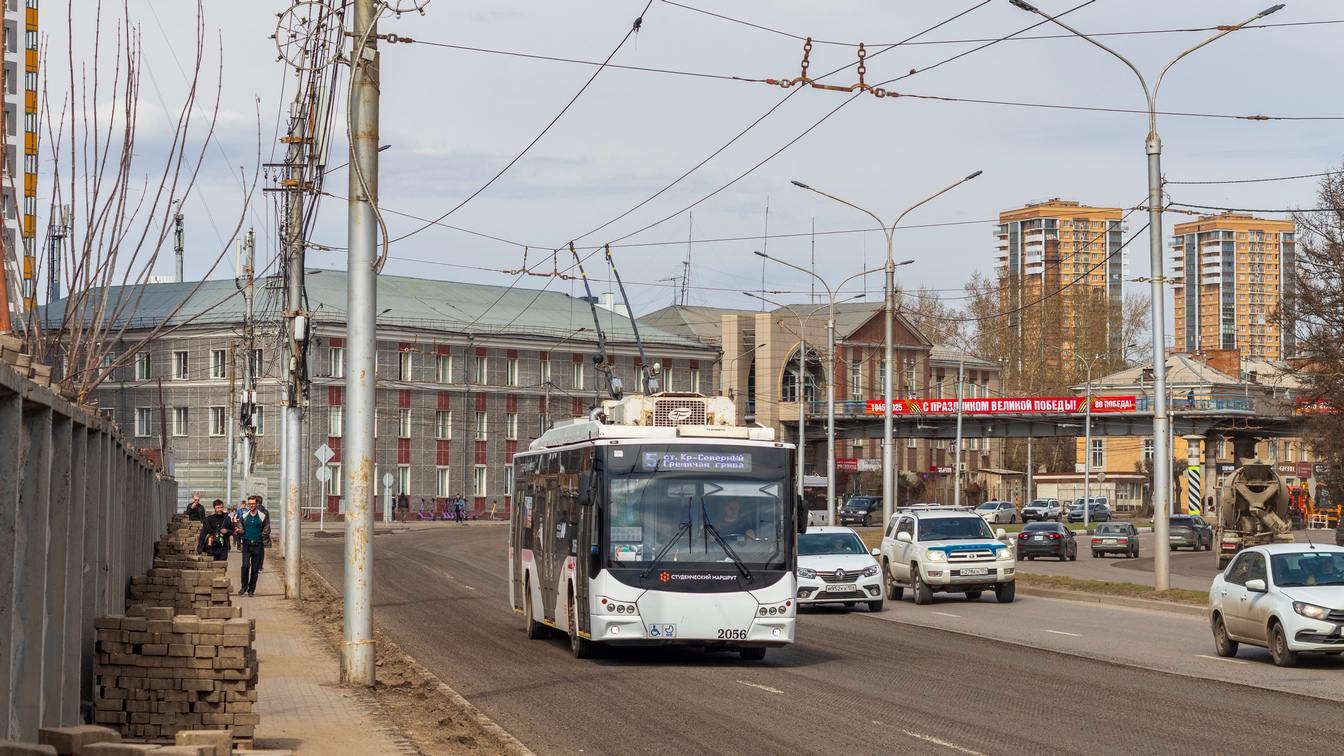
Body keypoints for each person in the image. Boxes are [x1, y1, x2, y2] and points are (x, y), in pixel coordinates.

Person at [237, 495, 271, 597]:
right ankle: (244, 586)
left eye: (253, 503)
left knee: (255, 569)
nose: (251, 505)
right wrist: (240, 532)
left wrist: (260, 538)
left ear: (257, 504)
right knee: (245, 566)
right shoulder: (244, 516)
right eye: (250, 504)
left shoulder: (262, 516)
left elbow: (266, 529)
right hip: (247, 544)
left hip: (257, 544)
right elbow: (240, 527)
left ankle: (251, 589)